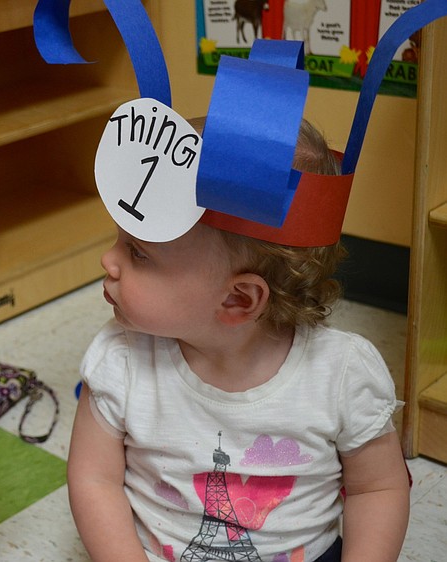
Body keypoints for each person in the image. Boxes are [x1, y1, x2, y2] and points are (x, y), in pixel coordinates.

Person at [68, 118, 410, 562]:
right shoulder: (120, 359)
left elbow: (378, 488)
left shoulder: (343, 373)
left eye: (138, 252)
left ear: (237, 299)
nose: (108, 260)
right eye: (121, 240)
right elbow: (94, 481)